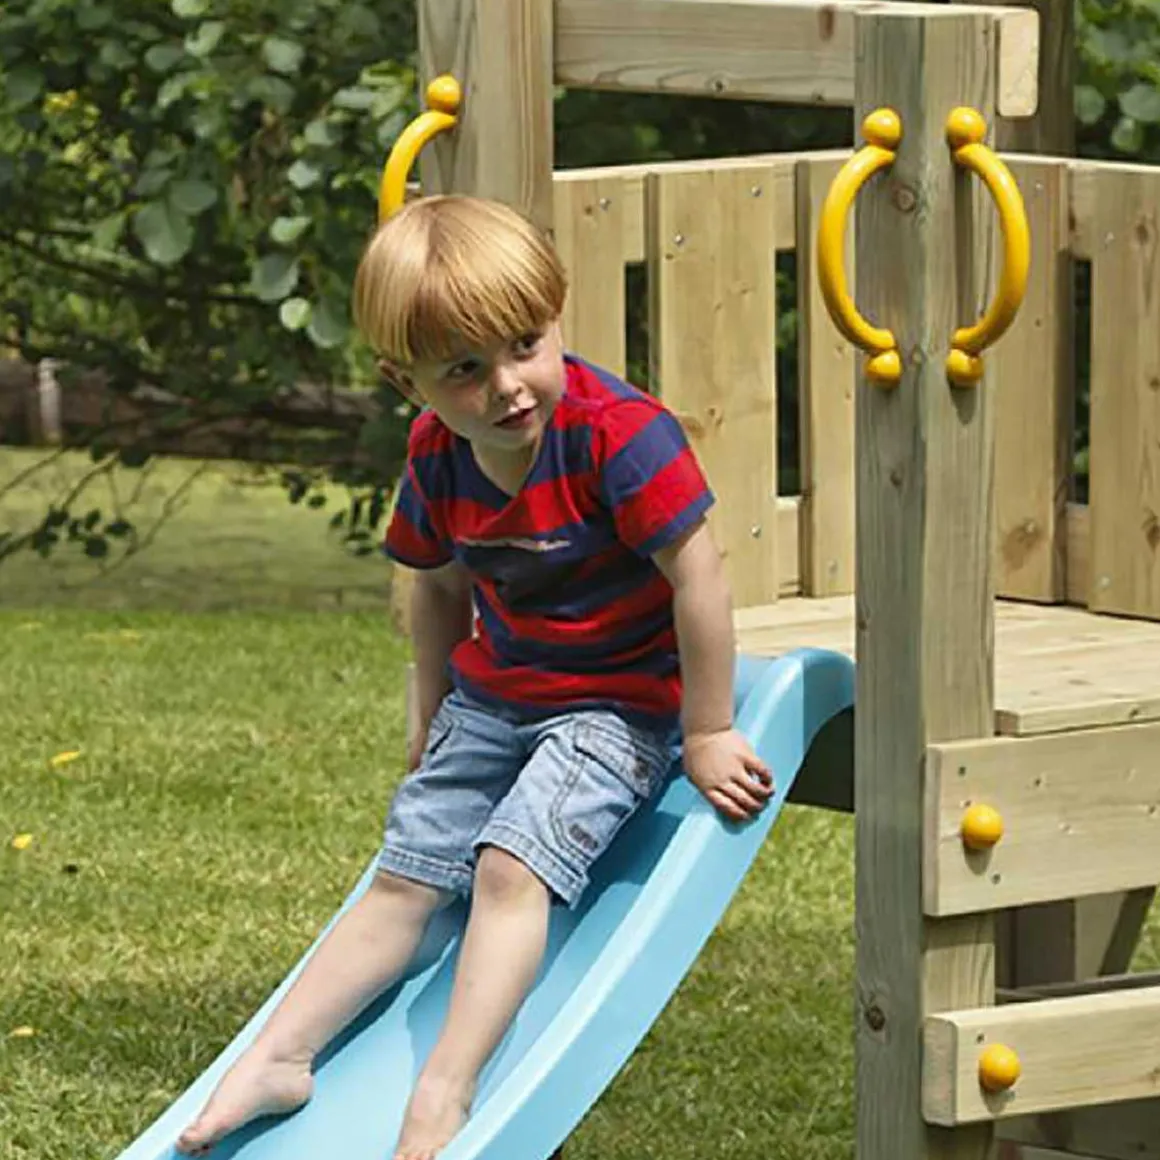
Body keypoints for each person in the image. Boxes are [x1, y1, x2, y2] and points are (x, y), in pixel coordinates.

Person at [175, 194, 773, 1160]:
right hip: (497, 697)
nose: (508, 386)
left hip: (615, 707)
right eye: (465, 370)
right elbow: (437, 588)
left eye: (525, 345)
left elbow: (699, 575)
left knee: (508, 866)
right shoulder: (436, 455)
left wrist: (704, 732)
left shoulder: (620, 436)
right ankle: (279, 1054)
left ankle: (443, 1092)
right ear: (403, 381)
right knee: (405, 874)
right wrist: (433, 714)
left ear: (554, 316)